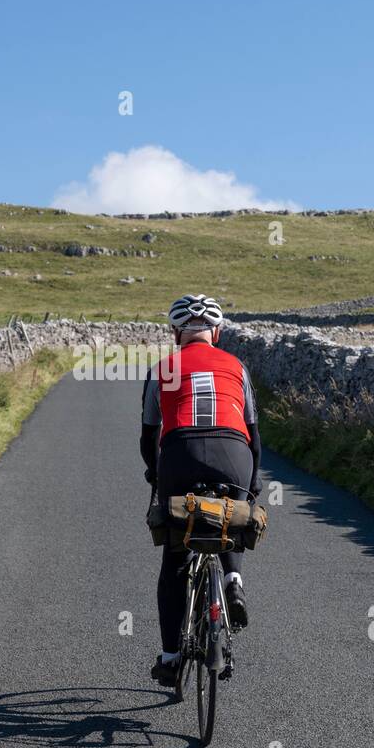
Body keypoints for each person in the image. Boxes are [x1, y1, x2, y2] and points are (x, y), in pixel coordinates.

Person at [140, 294, 262, 687]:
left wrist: (154, 475)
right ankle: (234, 582)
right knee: (230, 516)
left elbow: (148, 436)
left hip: (180, 453)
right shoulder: (236, 366)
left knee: (175, 558)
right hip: (234, 453)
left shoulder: (163, 368)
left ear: (175, 333)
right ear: (217, 332)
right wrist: (253, 483)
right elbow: (254, 435)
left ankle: (172, 658)